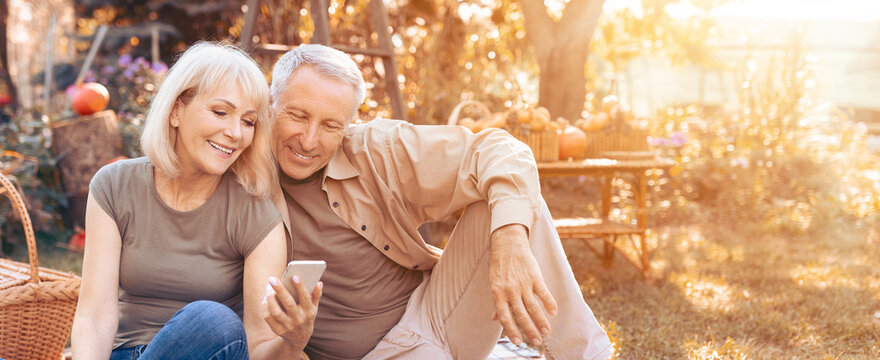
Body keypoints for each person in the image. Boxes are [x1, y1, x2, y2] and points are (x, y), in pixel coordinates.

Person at [268, 43, 612, 359]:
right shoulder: (240, 174)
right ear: (271, 104)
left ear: (347, 125)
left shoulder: (375, 150)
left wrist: (510, 239)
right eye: (298, 116)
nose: (309, 140)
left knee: (510, 200)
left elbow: (502, 152)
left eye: (330, 125)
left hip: (435, 314)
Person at [71, 42, 319, 360]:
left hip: (209, 350)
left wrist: (293, 342)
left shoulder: (255, 213)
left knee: (212, 322)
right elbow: (94, 316)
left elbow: (256, 345)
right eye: (220, 112)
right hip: (124, 353)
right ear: (176, 110)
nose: (235, 133)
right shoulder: (114, 185)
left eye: (248, 121)